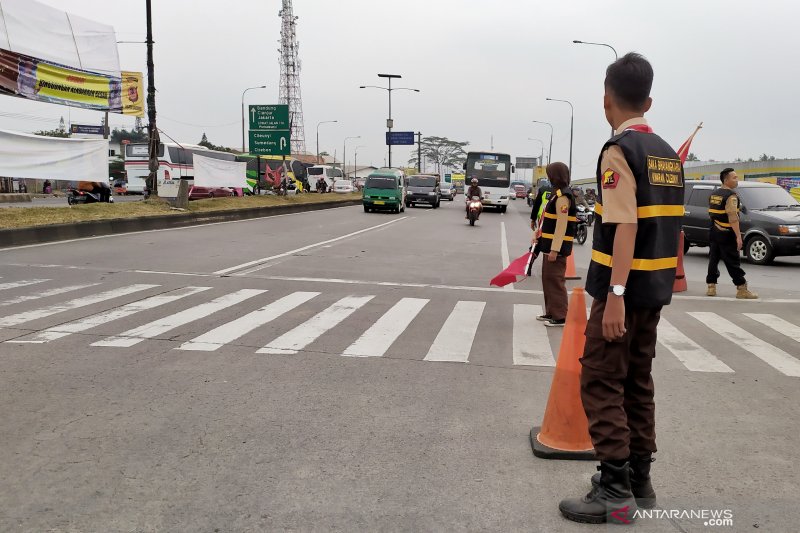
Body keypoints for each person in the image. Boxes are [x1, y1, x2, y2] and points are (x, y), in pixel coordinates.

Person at [558, 52, 684, 525]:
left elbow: (626, 226)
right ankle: (640, 479)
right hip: (653, 292)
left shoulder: (619, 152)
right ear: (648, 99)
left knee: (599, 380)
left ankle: (614, 488)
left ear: (605, 99)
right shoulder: (670, 154)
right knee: (637, 381)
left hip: (624, 293)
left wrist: (614, 295)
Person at [531, 162, 576, 327]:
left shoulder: (563, 196)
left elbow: (561, 225)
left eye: (550, 175)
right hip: (548, 245)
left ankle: (560, 316)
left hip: (556, 249)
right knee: (548, 279)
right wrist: (539, 236)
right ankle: (551, 311)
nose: (548, 178)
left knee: (555, 280)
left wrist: (555, 249)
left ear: (555, 176)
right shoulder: (556, 194)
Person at [706, 168, 758, 299]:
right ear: (726, 180)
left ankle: (711, 287)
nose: (737, 180)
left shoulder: (714, 194)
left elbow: (711, 213)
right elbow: (733, 217)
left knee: (713, 258)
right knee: (732, 261)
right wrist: (738, 236)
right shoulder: (731, 196)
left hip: (714, 230)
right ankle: (741, 288)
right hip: (726, 233)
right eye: (734, 177)